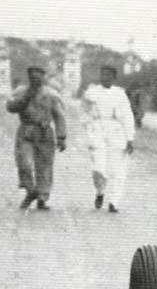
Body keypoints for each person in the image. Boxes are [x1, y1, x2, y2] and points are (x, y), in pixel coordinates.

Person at [6, 65, 67, 210]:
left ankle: (42, 198)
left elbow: (59, 116)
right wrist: (24, 99)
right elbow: (10, 108)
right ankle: (30, 190)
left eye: (38, 76)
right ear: (29, 78)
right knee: (24, 163)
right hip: (26, 131)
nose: (35, 79)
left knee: (44, 166)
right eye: (32, 76)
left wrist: (61, 136)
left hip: (45, 132)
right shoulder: (21, 91)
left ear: (44, 77)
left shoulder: (51, 94)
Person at [81, 65, 135, 213]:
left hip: (116, 132)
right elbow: (84, 111)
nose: (105, 77)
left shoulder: (120, 94)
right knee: (98, 168)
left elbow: (127, 116)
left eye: (109, 75)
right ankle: (100, 191)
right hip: (97, 130)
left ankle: (114, 202)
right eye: (103, 74)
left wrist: (130, 138)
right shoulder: (92, 92)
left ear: (114, 77)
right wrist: (89, 125)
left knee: (118, 169)